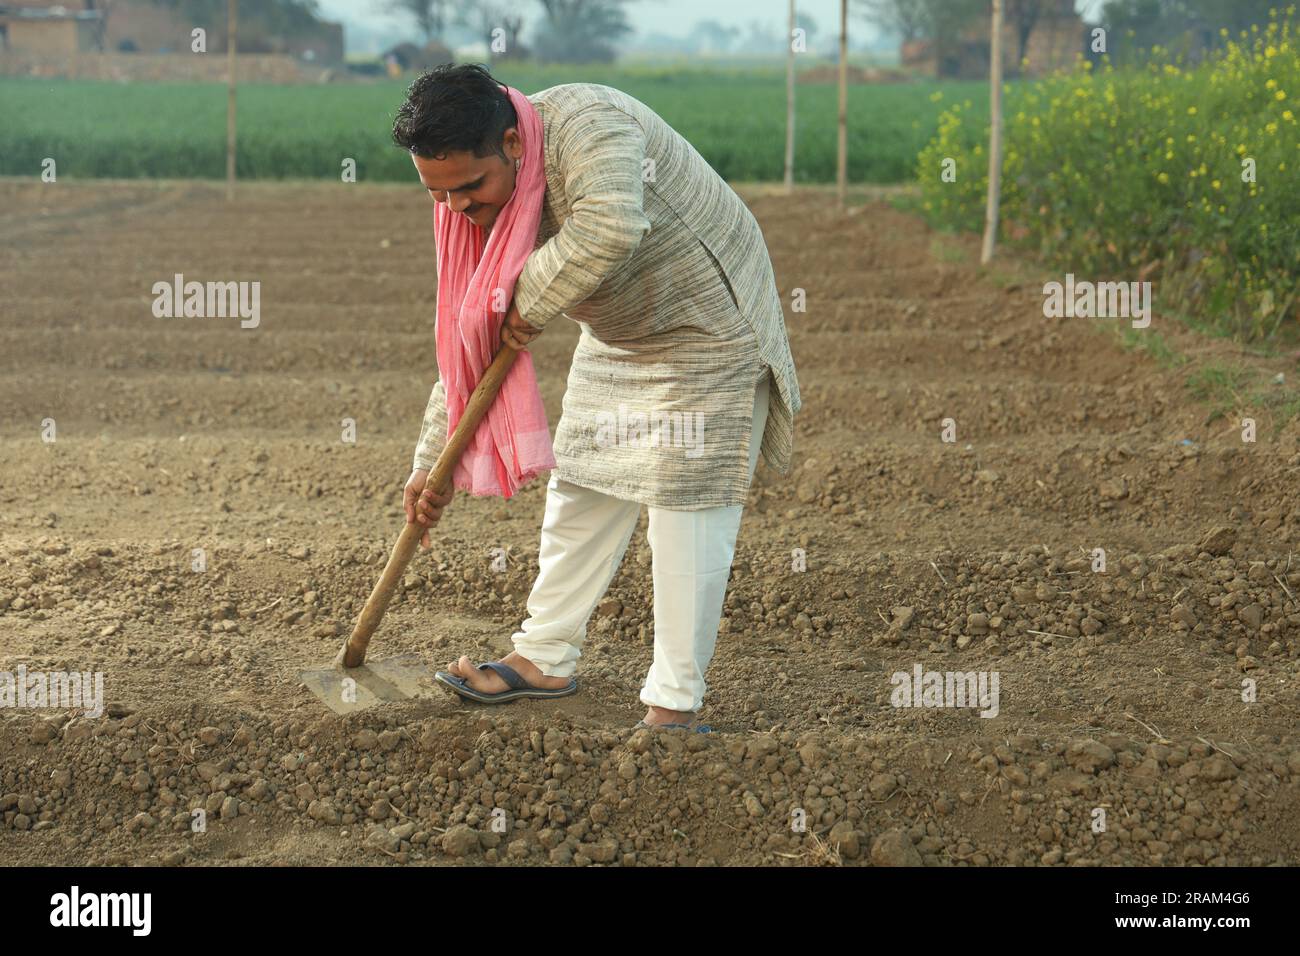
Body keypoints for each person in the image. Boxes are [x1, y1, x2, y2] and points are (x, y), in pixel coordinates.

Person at [393, 65, 801, 731]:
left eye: (469, 187)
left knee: (685, 501)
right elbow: (471, 331)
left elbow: (611, 228)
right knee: (582, 484)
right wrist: (430, 457)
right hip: (621, 329)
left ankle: (674, 704)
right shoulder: (465, 205)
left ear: (513, 144)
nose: (456, 208)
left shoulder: (588, 125)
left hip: (708, 321)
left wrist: (522, 302)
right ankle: (543, 658)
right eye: (438, 194)